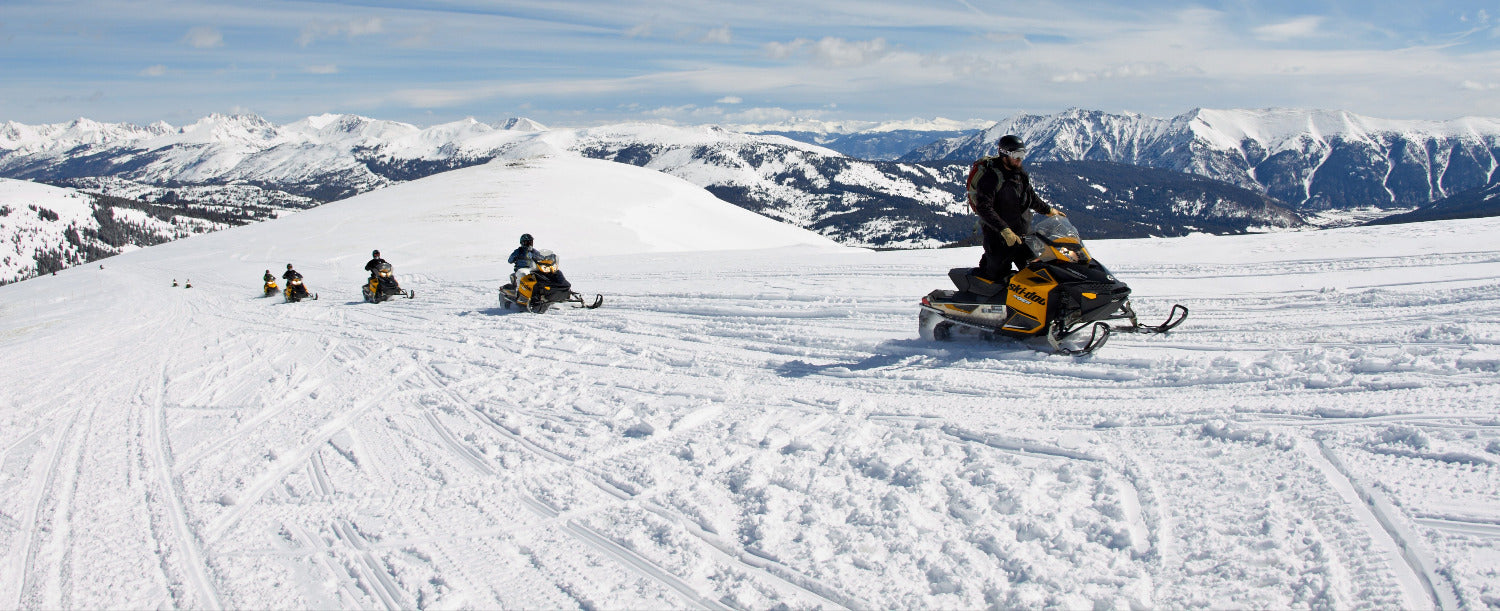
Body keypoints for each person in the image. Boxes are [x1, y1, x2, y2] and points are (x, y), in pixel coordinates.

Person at [966, 134, 1063, 281]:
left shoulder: (1020, 175)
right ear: (1004, 155)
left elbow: (1031, 198)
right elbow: (984, 207)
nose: (1020, 159)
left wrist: (1049, 211)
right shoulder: (992, 178)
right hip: (999, 239)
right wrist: (1004, 230)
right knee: (996, 279)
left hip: (1023, 236)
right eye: (1016, 154)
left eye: (1022, 154)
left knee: (1039, 273)